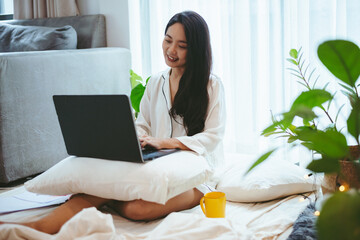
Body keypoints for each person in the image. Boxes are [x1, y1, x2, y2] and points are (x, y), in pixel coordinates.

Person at [0, 10, 226, 234]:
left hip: (196, 176)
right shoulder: (156, 82)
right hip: (155, 164)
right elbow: (143, 123)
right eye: (167, 40)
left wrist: (167, 143)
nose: (171, 50)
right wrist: (136, 137)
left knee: (136, 209)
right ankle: (37, 226)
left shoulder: (211, 86)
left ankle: (100, 197)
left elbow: (212, 137)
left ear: (195, 49)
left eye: (182, 45)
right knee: (106, 181)